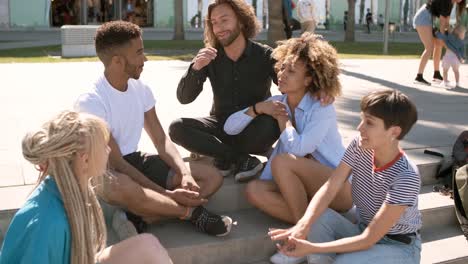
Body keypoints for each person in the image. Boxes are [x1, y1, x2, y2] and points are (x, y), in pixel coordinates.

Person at [75, 21, 232, 237]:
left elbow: (160, 140)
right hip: (107, 169)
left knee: (212, 177)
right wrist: (167, 193)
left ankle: (143, 217)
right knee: (119, 186)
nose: (145, 59)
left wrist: (184, 174)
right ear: (118, 61)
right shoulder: (91, 101)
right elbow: (116, 161)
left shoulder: (141, 89)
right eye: (139, 53)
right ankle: (192, 213)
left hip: (137, 161)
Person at [224, 33, 353, 264]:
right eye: (282, 68)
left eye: (291, 71)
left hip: (339, 190)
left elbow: (300, 149)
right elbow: (229, 128)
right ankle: (313, 230)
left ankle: (298, 242)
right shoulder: (278, 103)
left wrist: (285, 123)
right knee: (254, 190)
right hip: (305, 191)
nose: (281, 74)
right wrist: (258, 108)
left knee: (283, 161)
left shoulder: (321, 106)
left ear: (308, 79)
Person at [269, 90, 422, 264]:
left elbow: (368, 239)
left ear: (394, 132)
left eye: (369, 123)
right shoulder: (360, 145)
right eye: (362, 119)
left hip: (398, 247)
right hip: (362, 229)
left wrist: (311, 247)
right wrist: (303, 224)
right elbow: (331, 186)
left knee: (344, 262)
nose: (360, 128)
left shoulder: (406, 177)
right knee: (316, 215)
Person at [0, 111, 172, 264]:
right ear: (85, 160)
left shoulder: (69, 189)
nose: (108, 150)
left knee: (148, 246)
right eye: (103, 145)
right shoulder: (47, 224)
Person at [169, 0, 279, 182]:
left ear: (242, 21)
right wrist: (196, 68)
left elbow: (291, 87)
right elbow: (184, 98)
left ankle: (223, 155)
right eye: (214, 23)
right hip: (221, 124)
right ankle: (241, 159)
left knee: (270, 125)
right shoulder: (210, 56)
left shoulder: (265, 55)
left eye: (224, 20)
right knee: (177, 127)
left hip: (255, 125)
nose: (218, 28)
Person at [413, 0, 466, 86]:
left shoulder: (452, 4)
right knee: (429, 48)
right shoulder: (447, 2)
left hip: (429, 18)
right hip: (423, 17)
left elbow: (446, 22)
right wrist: (444, 36)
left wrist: (448, 34)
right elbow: (442, 22)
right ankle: (419, 77)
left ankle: (436, 74)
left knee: (438, 44)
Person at [436, 24, 466, 88]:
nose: (464, 35)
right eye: (464, 34)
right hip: (455, 58)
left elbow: (444, 36)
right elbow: (462, 51)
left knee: (445, 71)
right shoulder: (461, 42)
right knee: (456, 71)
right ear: (460, 34)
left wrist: (440, 31)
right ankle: (457, 83)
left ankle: (445, 82)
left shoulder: (450, 37)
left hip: (447, 57)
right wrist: (463, 58)